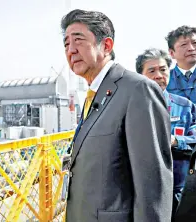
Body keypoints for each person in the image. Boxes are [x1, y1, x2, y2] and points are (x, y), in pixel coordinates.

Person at [62, 9, 173, 222]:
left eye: (79, 40)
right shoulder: (95, 93)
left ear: (106, 45)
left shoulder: (138, 90)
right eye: (66, 44)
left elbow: (153, 184)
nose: (71, 50)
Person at [136, 48, 196, 220]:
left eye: (163, 70)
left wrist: (176, 141)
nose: (158, 75)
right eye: (151, 71)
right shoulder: (131, 107)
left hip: (181, 191)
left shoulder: (186, 106)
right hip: (145, 194)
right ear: (141, 75)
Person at [166, 26, 196, 103]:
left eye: (194, 43)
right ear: (172, 53)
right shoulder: (166, 79)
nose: (191, 48)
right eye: (184, 45)